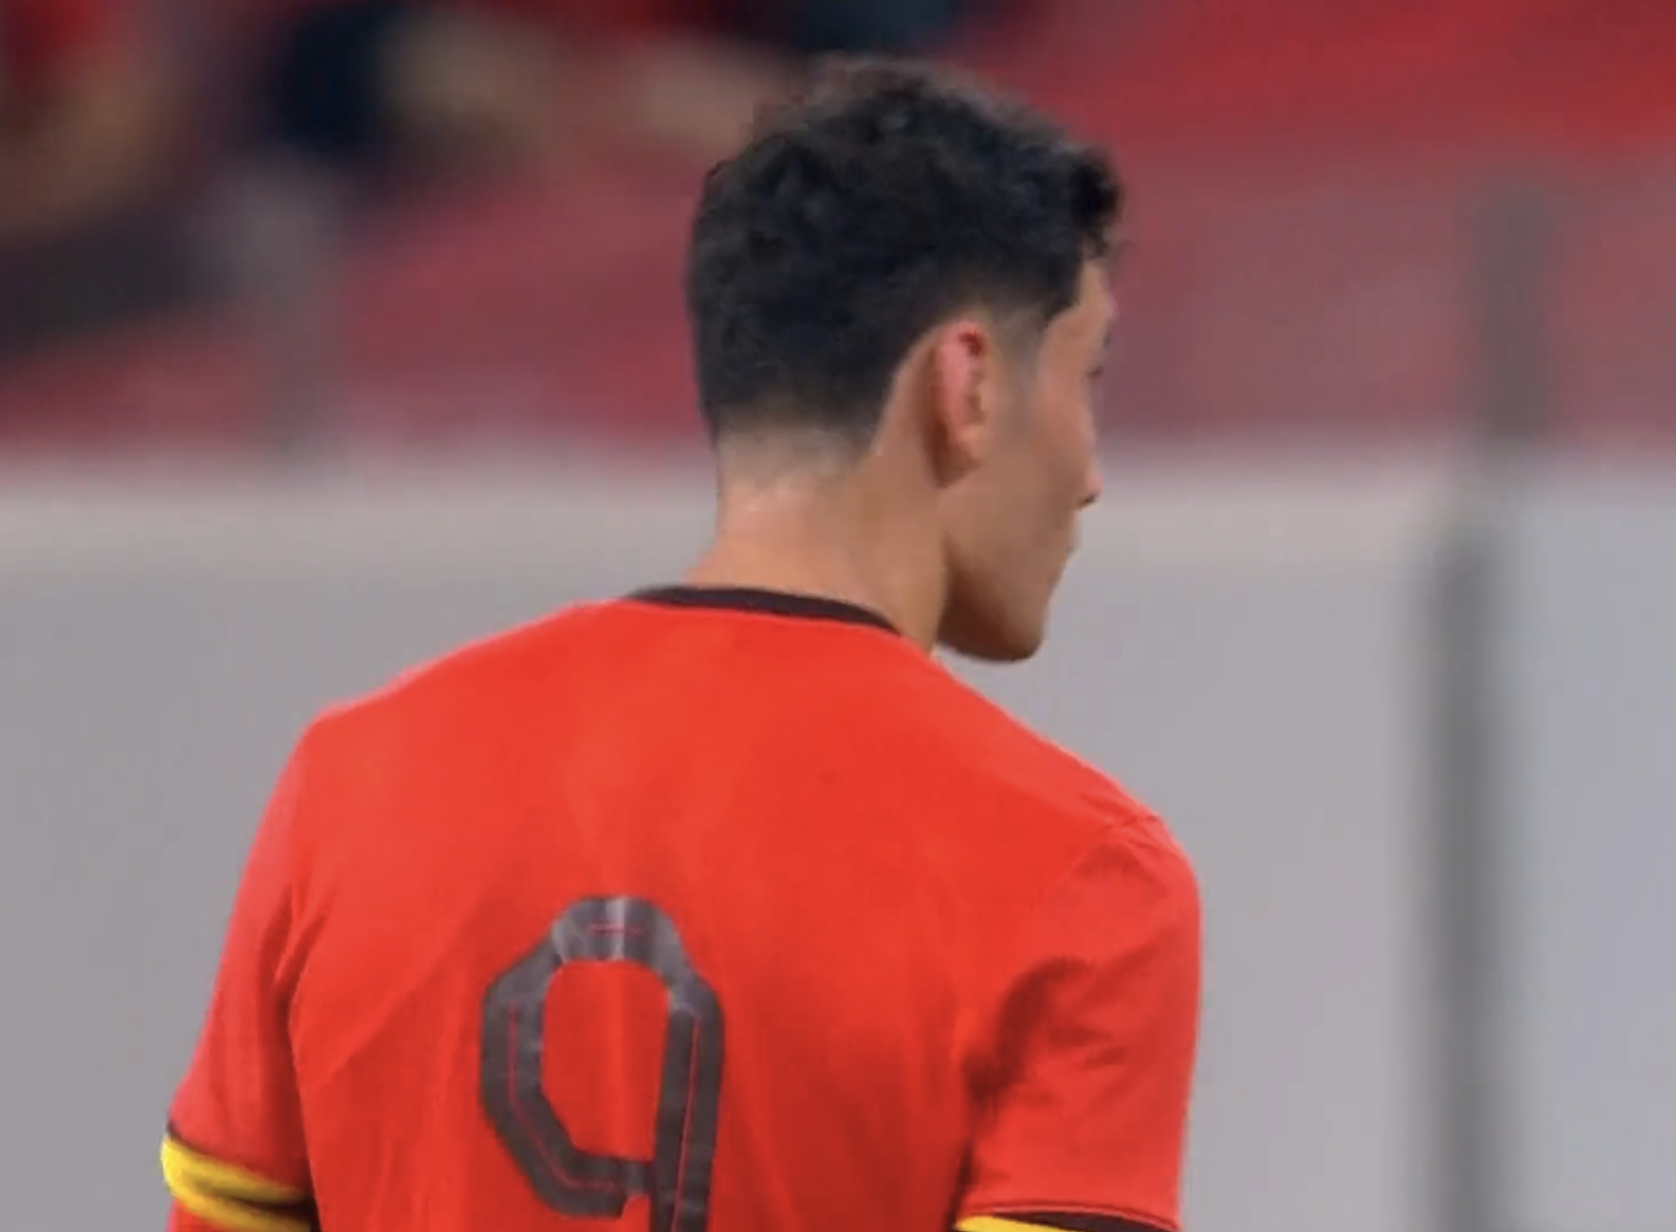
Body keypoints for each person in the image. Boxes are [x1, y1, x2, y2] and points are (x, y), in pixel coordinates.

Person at [160, 59, 1201, 1232]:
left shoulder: (352, 782)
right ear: (963, 383)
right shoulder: (1077, 878)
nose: (1089, 473)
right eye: (1085, 378)